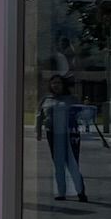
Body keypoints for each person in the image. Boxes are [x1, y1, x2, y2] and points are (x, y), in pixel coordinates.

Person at [35, 72, 88, 203]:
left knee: (72, 164)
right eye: (53, 83)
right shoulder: (46, 100)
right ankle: (61, 192)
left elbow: (81, 114)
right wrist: (38, 132)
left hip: (69, 135)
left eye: (58, 83)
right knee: (58, 164)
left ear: (63, 84)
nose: (56, 85)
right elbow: (39, 116)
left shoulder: (71, 99)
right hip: (53, 134)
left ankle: (80, 192)